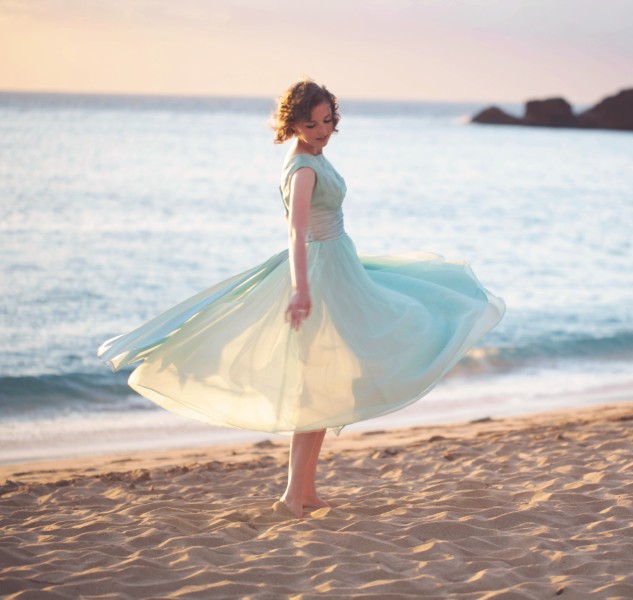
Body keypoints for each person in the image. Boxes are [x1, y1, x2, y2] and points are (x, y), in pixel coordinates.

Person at [98, 78, 505, 518]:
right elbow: (296, 231)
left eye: (327, 120)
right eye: (311, 123)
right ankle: (294, 495)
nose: (321, 130)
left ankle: (305, 491)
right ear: (292, 123)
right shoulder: (303, 168)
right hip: (320, 272)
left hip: (339, 265)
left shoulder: (316, 156)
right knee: (322, 382)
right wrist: (301, 288)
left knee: (326, 383)